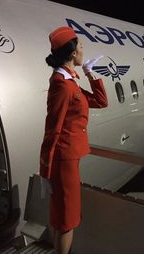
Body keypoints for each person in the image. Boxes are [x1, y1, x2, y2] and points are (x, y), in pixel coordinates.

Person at [39, 26, 108, 254]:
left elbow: (100, 101)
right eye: (80, 46)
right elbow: (52, 130)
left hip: (69, 159)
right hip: (63, 162)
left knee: (64, 217)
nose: (82, 50)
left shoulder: (70, 81)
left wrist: (90, 73)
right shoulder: (62, 85)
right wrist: (45, 171)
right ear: (71, 53)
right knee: (67, 220)